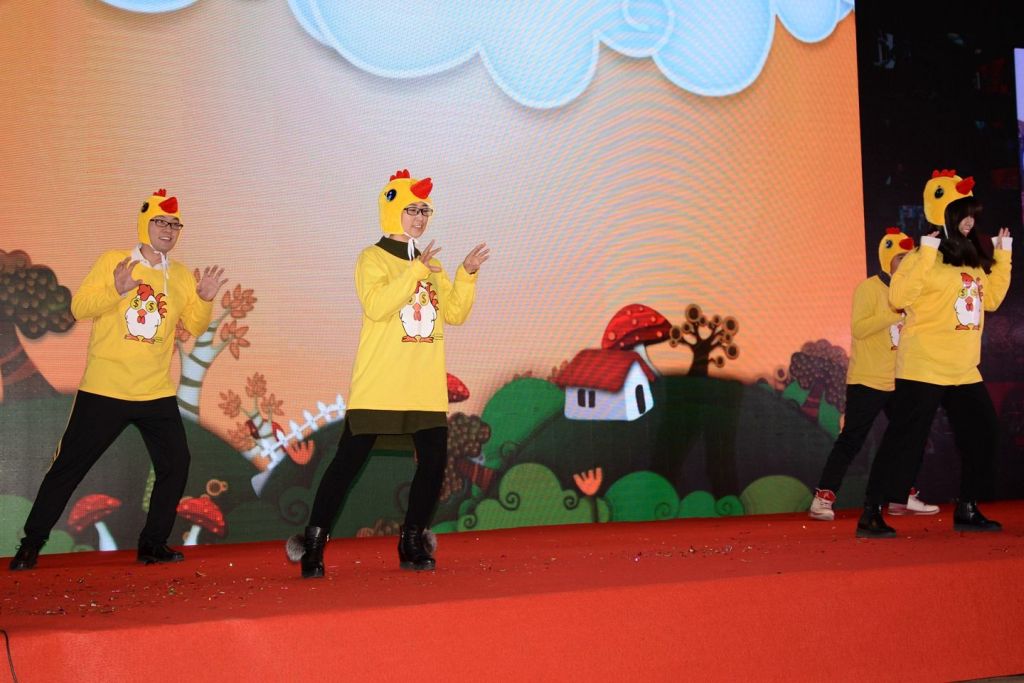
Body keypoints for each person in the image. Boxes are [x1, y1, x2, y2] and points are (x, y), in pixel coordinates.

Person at [8, 190, 227, 570]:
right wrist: (116, 289)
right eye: (160, 222)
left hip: (154, 392)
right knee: (68, 467)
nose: (168, 230)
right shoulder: (114, 261)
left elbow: (193, 325)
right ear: (144, 224)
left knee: (176, 463)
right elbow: (79, 308)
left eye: (174, 225)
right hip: (105, 389)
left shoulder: (179, 275)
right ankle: (31, 543)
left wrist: (205, 299)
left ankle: (153, 544)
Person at [288, 170, 489, 578]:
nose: (419, 218)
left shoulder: (431, 265)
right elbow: (377, 305)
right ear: (392, 211)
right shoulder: (372, 258)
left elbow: (453, 313)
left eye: (424, 211)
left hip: (424, 385)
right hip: (380, 384)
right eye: (412, 209)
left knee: (433, 463)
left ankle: (411, 540)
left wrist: (466, 274)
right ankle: (314, 543)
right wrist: (415, 271)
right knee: (347, 464)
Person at [858, 193, 1012, 538]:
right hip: (923, 365)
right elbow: (898, 298)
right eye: (963, 214)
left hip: (963, 368)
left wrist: (1003, 255)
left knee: (984, 432)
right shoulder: (920, 257)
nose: (970, 222)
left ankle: (968, 507)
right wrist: (927, 252)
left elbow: (991, 300)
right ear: (946, 217)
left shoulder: (970, 261)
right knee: (904, 440)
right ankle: (872, 511)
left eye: (973, 216)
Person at [809, 229, 940, 521]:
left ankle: (901, 496)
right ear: (887, 259)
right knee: (852, 439)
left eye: (909, 258)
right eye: (900, 257)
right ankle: (823, 497)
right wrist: (896, 313)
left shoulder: (913, 290)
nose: (905, 263)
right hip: (868, 379)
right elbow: (859, 328)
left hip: (902, 379)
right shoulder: (868, 288)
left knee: (911, 437)